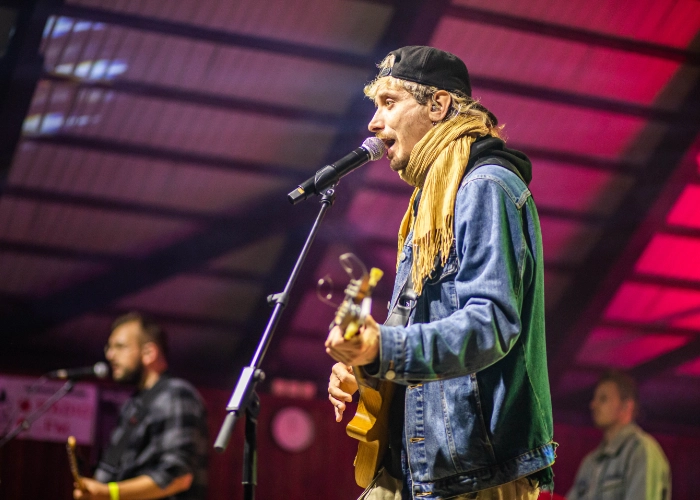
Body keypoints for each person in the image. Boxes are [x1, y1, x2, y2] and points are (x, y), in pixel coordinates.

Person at [326, 46, 555, 500]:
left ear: (438, 105)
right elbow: (417, 328)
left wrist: (384, 347)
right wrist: (366, 364)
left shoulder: (485, 186)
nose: (373, 123)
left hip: (474, 472)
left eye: (388, 102)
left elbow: (490, 323)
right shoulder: (430, 201)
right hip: (415, 465)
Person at [74, 312, 208, 500]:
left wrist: (109, 493)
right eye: (109, 348)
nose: (110, 355)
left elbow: (178, 476)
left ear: (149, 353)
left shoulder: (176, 394)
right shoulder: (132, 404)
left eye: (120, 347)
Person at [567, 370, 671, 500]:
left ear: (626, 406)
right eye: (594, 399)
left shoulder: (641, 450)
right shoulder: (590, 461)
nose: (593, 404)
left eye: (603, 399)